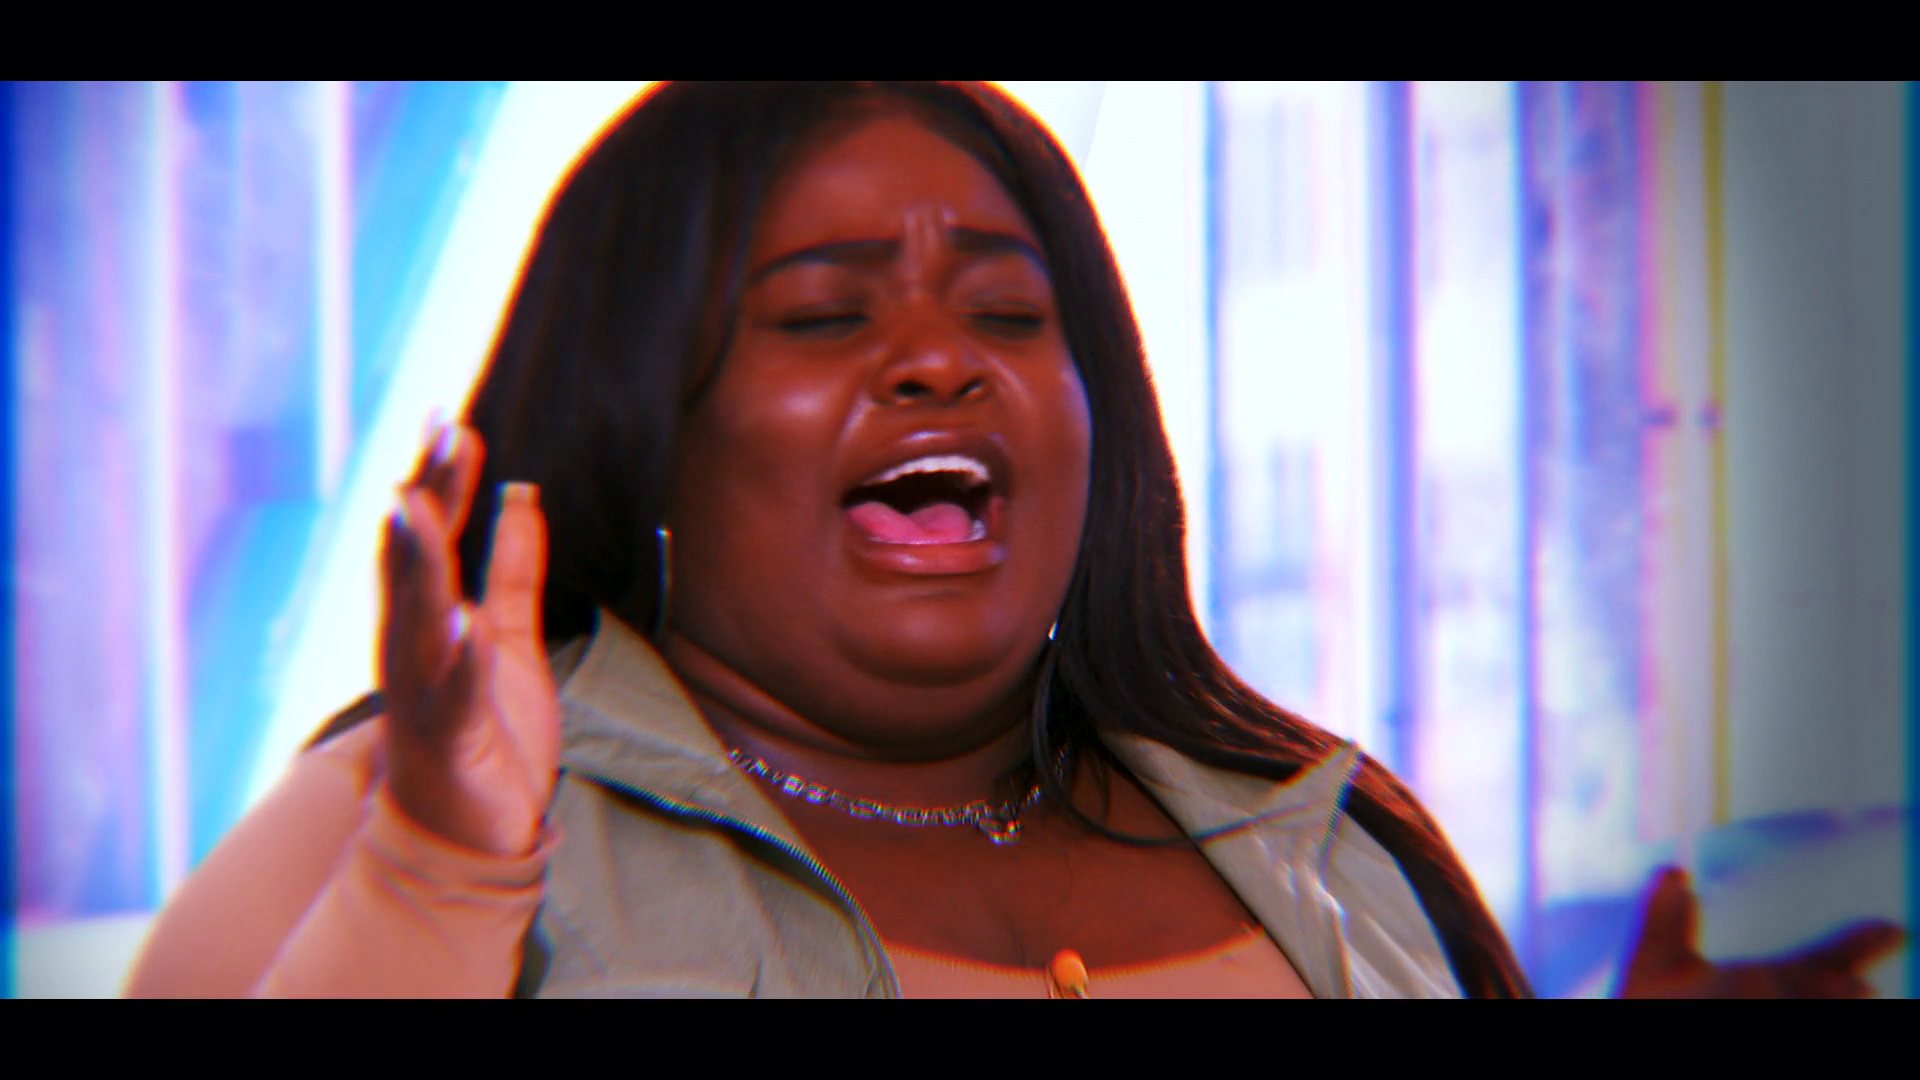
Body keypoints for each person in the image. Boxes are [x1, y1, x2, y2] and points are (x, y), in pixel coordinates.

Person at [126, 81, 1904, 998]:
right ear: (642, 421)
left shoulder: (1319, 837)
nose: (937, 360)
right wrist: (436, 883)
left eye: (1006, 313)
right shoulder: (412, 815)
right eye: (823, 315)